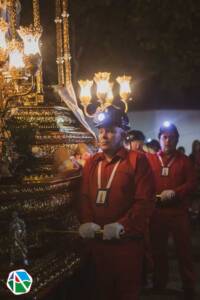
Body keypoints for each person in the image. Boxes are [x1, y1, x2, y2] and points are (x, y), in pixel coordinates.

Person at [78, 105, 155, 300]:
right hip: (97, 243)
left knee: (125, 293)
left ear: (124, 134)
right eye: (101, 130)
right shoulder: (92, 162)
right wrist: (86, 220)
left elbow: (144, 202)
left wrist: (123, 225)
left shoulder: (137, 161)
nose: (104, 136)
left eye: (111, 131)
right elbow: (85, 196)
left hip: (126, 245)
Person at [147, 122, 197, 300]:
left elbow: (192, 183)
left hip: (178, 213)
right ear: (160, 139)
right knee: (158, 250)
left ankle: (189, 287)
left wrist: (176, 192)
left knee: (184, 251)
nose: (168, 141)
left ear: (177, 140)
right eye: (164, 137)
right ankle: (159, 283)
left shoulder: (184, 161)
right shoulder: (151, 160)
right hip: (157, 213)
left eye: (172, 137)